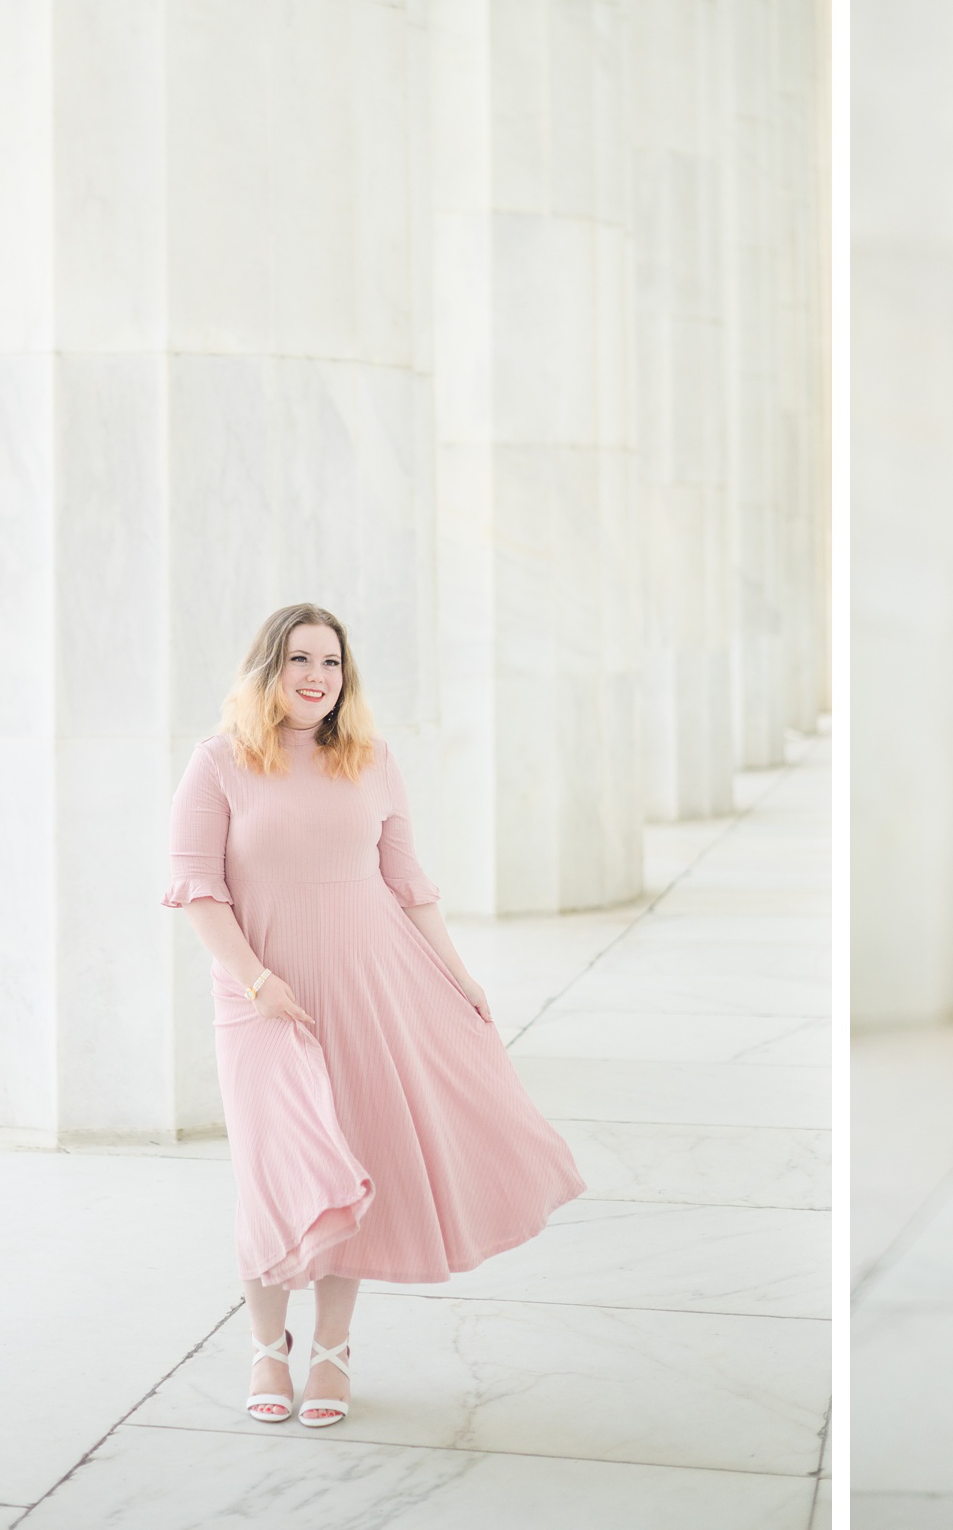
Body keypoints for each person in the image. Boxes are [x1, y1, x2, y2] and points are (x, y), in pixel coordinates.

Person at [165, 603, 585, 1427]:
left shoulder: (374, 760)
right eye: (299, 660)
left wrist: (459, 976)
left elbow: (408, 883)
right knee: (271, 1175)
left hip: (364, 985)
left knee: (346, 1168)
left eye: (331, 662)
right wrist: (256, 982)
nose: (317, 676)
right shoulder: (217, 763)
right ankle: (265, 1347)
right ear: (267, 671)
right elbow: (197, 889)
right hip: (261, 1002)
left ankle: (331, 1348)